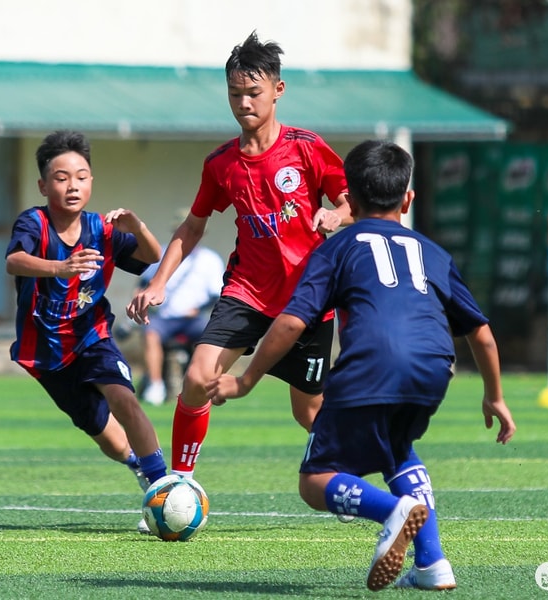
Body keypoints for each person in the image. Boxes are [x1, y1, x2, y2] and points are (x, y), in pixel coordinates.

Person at [205, 140, 517, 591]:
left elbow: (291, 322)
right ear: (408, 199)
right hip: (434, 367)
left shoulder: (336, 249)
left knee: (315, 481)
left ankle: (393, 511)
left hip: (371, 363)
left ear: (347, 199)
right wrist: (495, 396)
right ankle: (432, 563)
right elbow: (481, 333)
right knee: (397, 449)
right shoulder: (433, 252)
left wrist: (246, 380)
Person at [127, 31, 350, 478]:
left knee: (308, 412)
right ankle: (180, 483)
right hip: (246, 293)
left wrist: (335, 215)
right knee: (197, 379)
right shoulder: (221, 163)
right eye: (235, 94)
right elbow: (192, 227)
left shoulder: (306, 148)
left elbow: (353, 203)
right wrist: (158, 283)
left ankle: (348, 480)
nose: (244, 103)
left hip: (307, 299)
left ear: (278, 90)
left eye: (254, 92)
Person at [5, 129, 169, 533]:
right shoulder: (34, 222)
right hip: (46, 353)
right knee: (110, 441)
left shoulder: (103, 229)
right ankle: (138, 467)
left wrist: (137, 227)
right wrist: (59, 267)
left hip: (92, 335)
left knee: (124, 398)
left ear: (91, 181)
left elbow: (152, 255)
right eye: (61, 178)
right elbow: (14, 260)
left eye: (80, 176)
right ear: (43, 185)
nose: (72, 185)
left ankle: (163, 489)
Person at [138, 210, 225, 406]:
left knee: (211, 336)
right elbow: (144, 283)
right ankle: (155, 385)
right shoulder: (161, 254)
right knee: (150, 333)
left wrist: (198, 309)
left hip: (194, 318)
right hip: (164, 318)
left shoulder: (210, 259)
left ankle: (208, 385)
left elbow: (216, 295)